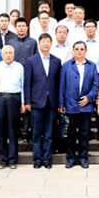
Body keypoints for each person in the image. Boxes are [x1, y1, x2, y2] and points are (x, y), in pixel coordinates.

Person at [59, 41, 99, 169]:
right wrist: (61, 103)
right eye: (77, 49)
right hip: (70, 105)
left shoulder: (92, 66)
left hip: (86, 105)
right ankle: (71, 158)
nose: (79, 51)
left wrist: (89, 98)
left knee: (84, 134)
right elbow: (62, 85)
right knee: (71, 133)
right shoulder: (66, 66)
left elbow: (96, 85)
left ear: (86, 51)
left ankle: (83, 157)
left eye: (82, 49)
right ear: (73, 51)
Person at [24, 34, 62, 169]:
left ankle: (47, 159)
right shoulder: (31, 60)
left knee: (49, 133)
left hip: (51, 102)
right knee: (36, 132)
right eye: (43, 41)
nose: (46, 44)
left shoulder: (56, 61)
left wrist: (60, 102)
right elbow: (27, 82)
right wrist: (27, 101)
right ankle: (37, 159)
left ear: (51, 44)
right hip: (36, 102)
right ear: (39, 44)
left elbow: (59, 83)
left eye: (48, 42)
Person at [0, 45, 25, 169]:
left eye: (10, 53)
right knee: (1, 129)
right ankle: (3, 160)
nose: (8, 55)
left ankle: (13, 160)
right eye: (6, 53)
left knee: (13, 129)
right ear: (2, 55)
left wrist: (23, 103)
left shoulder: (19, 67)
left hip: (14, 98)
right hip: (0, 98)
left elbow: (23, 85)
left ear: (14, 55)